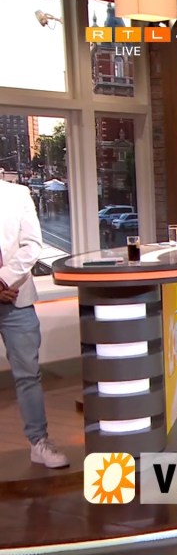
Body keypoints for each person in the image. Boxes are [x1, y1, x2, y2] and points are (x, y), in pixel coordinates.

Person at [0, 179, 68, 469]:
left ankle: (39, 443)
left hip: (16, 300)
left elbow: (32, 246)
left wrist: (3, 280)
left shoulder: (17, 194)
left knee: (28, 376)